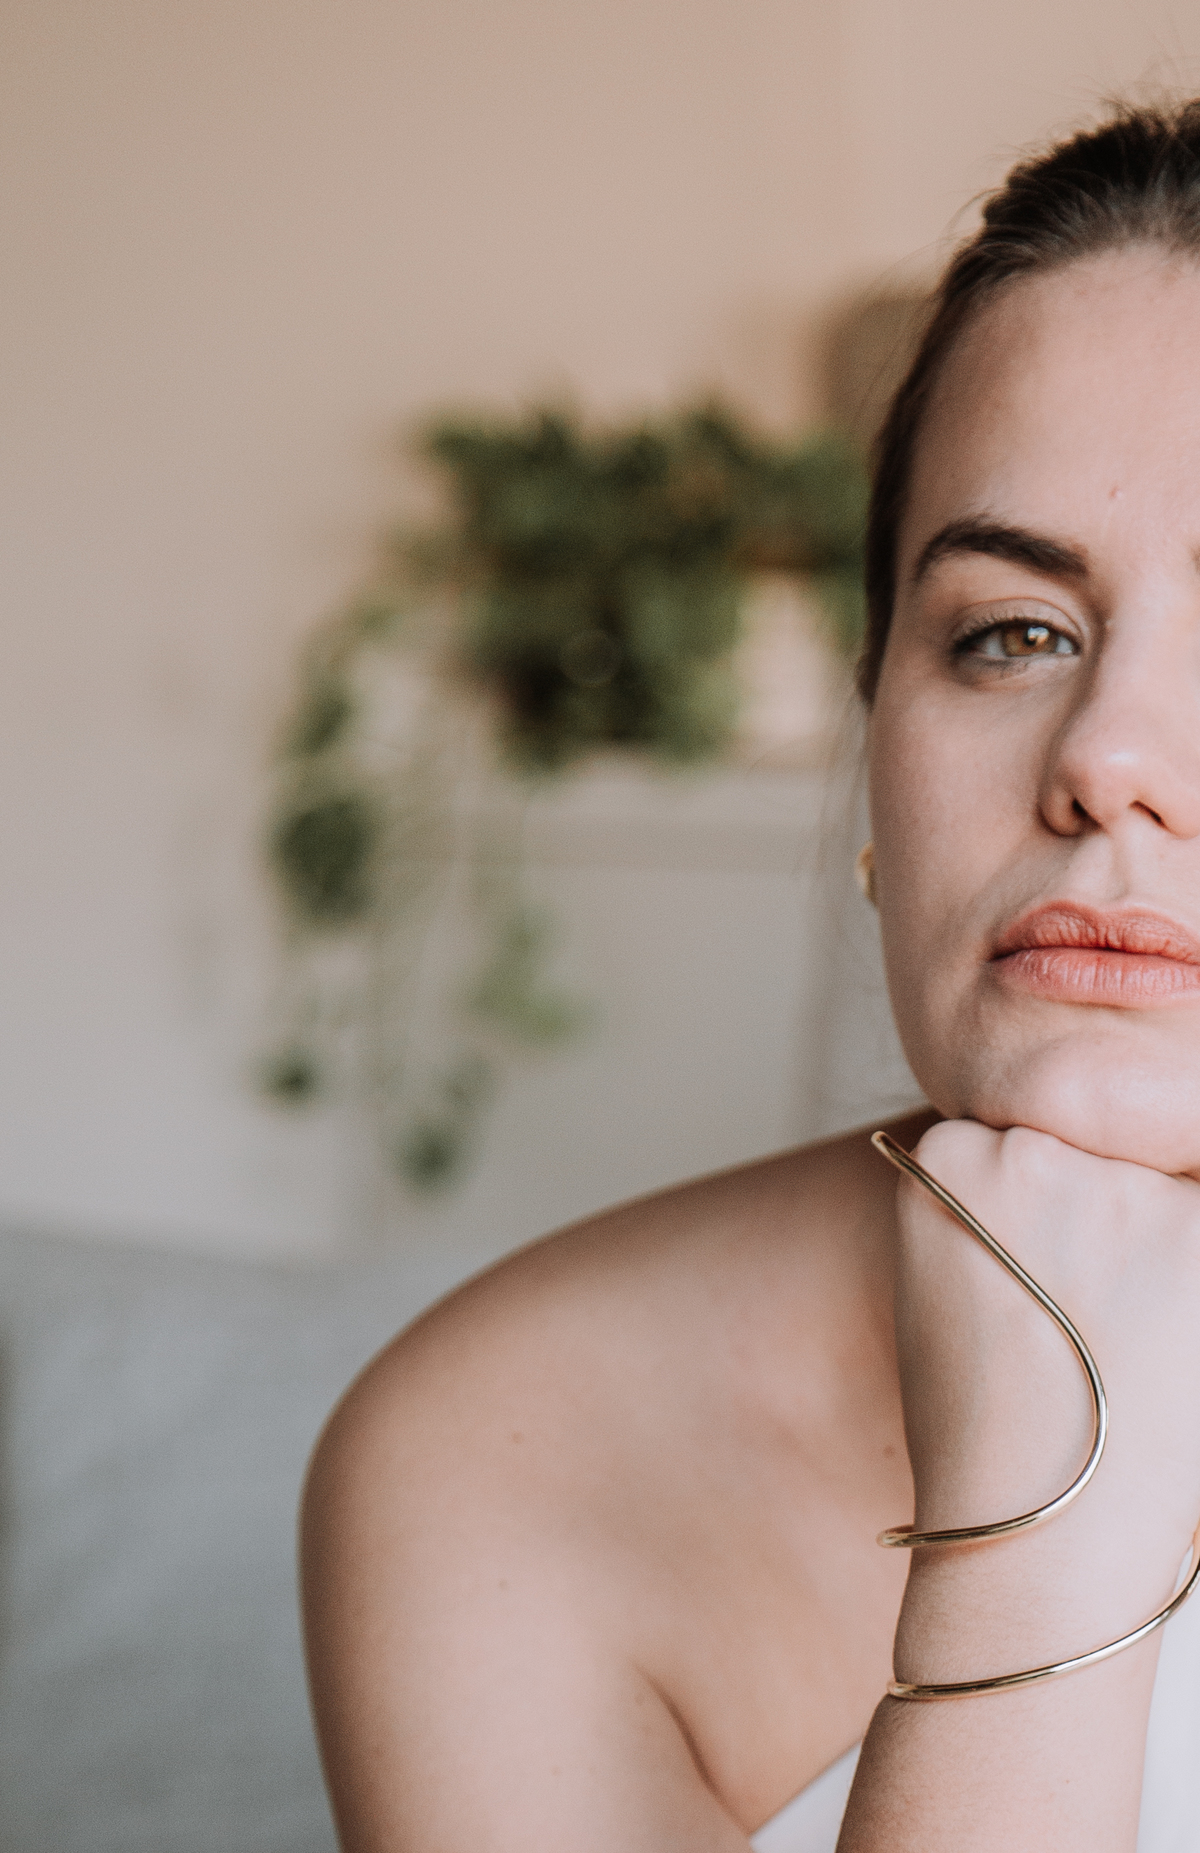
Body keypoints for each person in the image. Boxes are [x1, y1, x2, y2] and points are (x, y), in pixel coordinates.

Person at [299, 100, 1200, 1850]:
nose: (1110, 753)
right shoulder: (505, 1460)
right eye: (1014, 633)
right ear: (875, 752)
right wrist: (1040, 1552)